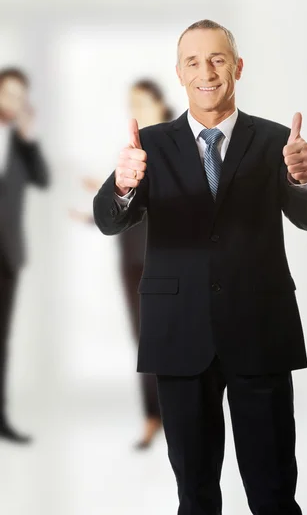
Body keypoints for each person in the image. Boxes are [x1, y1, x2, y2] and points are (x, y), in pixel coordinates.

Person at [93, 20, 307, 514]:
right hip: (179, 337)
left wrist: (304, 179)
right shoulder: (151, 146)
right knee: (195, 496)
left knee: (272, 493)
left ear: (238, 67)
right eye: (194, 62)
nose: (207, 71)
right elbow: (108, 220)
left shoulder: (275, 143)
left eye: (219, 59)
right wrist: (122, 185)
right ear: (179, 73)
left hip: (259, 332)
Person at [71, 79, 173, 449]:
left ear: (161, 104)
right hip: (132, 257)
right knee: (144, 341)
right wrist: (93, 208)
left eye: (143, 103)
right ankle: (152, 417)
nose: (137, 111)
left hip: (170, 260)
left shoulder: (179, 141)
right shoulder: (133, 147)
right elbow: (128, 200)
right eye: (132, 104)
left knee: (177, 338)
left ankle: (181, 417)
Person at [0, 67, 49, 444]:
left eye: (21, 96)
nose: (15, 102)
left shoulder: (20, 143)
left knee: (2, 340)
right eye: (9, 94)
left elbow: (43, 179)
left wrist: (29, 139)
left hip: (7, 255)